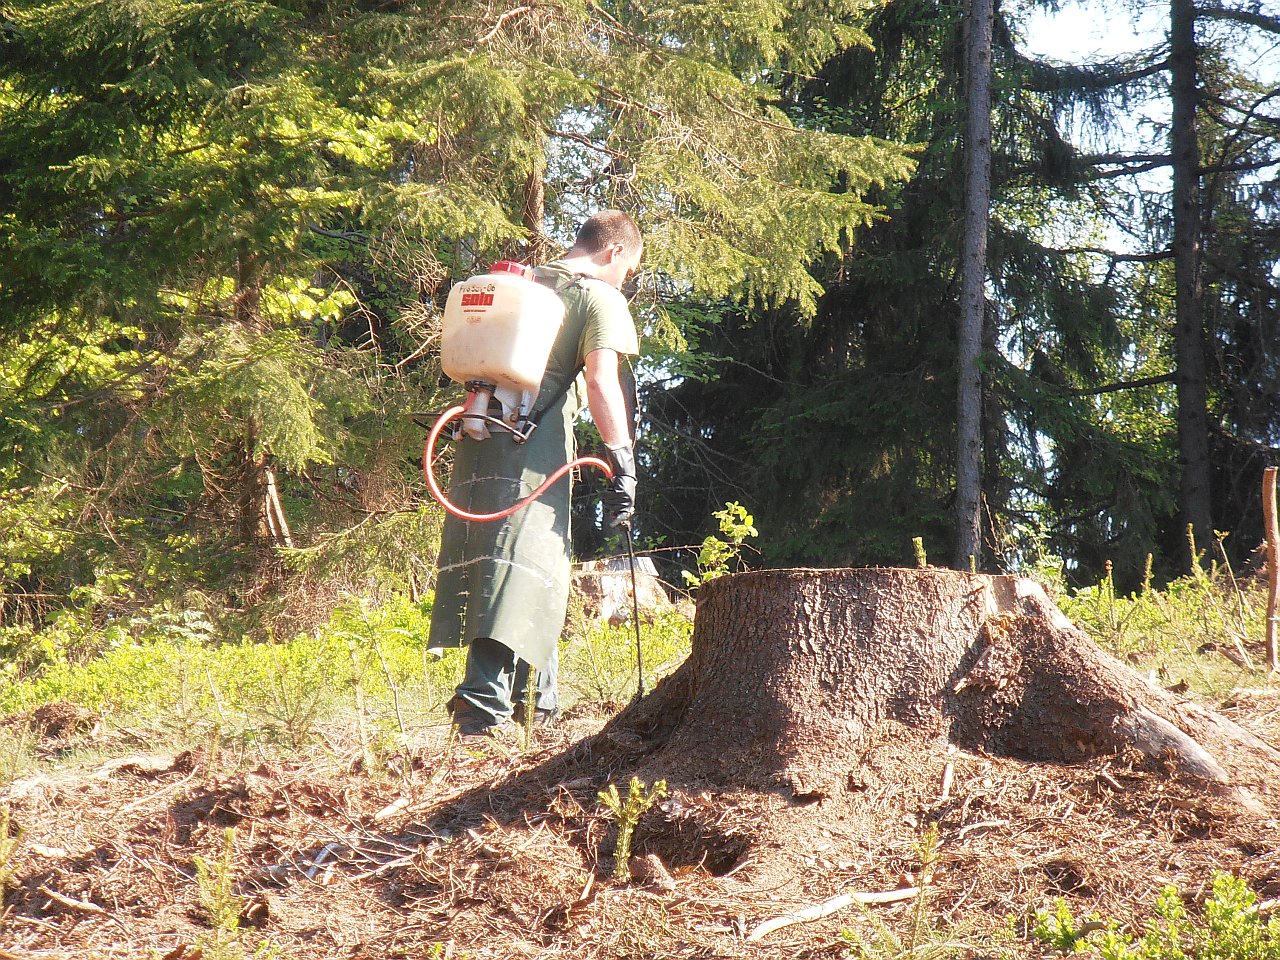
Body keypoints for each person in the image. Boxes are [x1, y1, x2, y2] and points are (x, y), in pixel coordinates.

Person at [427, 210, 643, 737]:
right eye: (628, 270)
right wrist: (623, 459)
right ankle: (481, 710)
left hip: (478, 435)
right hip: (531, 448)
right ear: (615, 252)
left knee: (529, 564)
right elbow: (601, 381)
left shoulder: (521, 283)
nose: (625, 281)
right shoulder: (597, 297)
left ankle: (538, 709)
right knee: (516, 566)